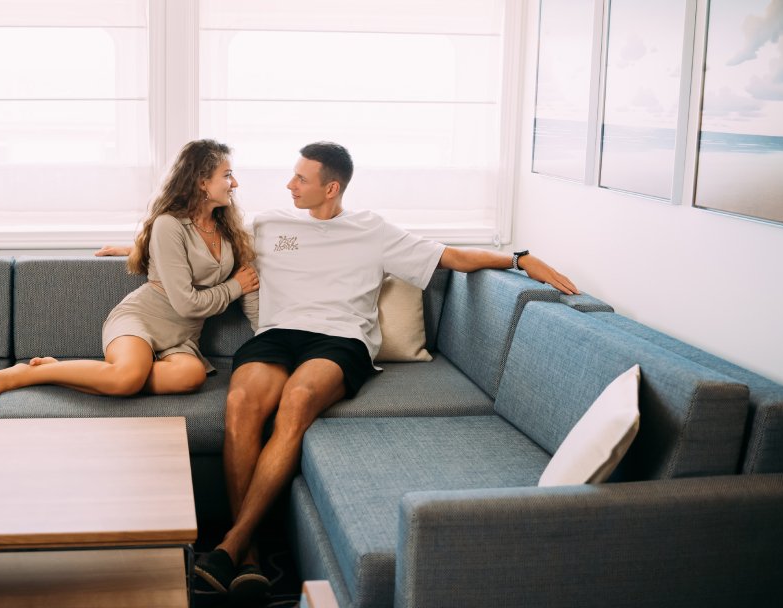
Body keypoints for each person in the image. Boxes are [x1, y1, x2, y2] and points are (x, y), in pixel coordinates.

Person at [193, 142, 578, 602]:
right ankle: (250, 556)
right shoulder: (269, 224)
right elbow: (200, 246)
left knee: (297, 400)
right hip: (279, 334)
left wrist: (518, 259)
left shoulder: (372, 230)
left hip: (339, 339)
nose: (289, 184)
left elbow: (451, 258)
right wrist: (139, 250)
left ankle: (232, 544)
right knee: (240, 404)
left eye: (301, 178)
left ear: (331, 188)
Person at [0, 139, 259, 402]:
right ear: (201, 182)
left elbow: (249, 285)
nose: (234, 183)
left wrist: (265, 335)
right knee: (128, 377)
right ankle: (35, 374)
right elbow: (188, 303)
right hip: (142, 319)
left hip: (182, 339)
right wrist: (234, 286)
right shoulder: (169, 224)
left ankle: (89, 374)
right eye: (227, 175)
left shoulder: (230, 232)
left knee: (192, 376)